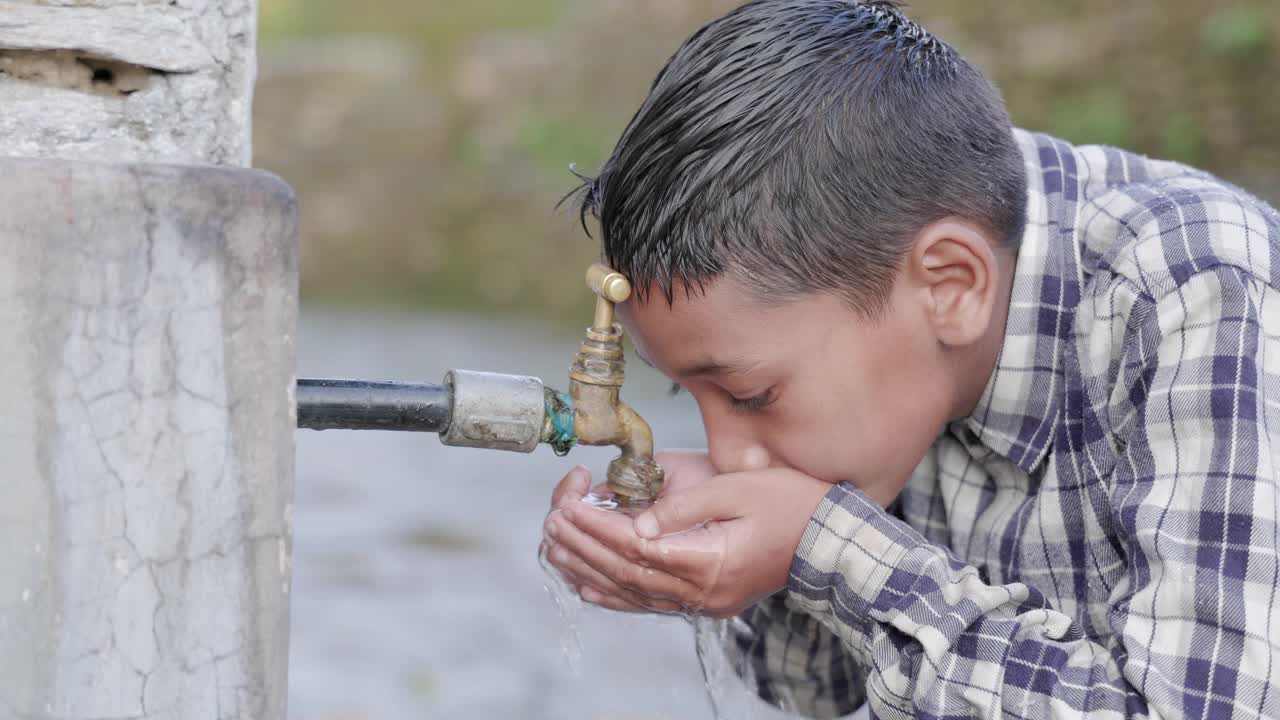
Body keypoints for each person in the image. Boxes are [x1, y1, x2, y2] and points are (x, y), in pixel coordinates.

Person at [539, 0, 1280, 717]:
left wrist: (822, 543)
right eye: (686, 397)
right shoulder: (888, 282)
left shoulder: (1197, 291)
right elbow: (810, 693)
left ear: (951, 286)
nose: (730, 456)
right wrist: (720, 554)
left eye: (752, 396)